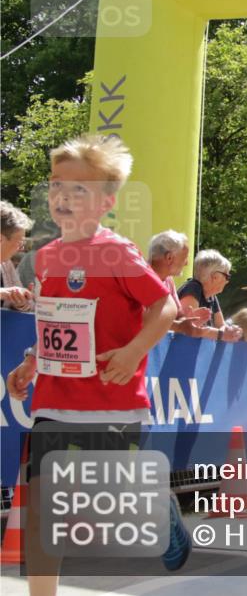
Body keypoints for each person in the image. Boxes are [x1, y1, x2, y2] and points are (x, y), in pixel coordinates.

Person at [4, 135, 190, 596]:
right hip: (54, 399)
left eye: (78, 189)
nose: (63, 196)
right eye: (55, 185)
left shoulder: (116, 252)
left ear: (107, 202)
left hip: (111, 397)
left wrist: (132, 353)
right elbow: (54, 321)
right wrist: (31, 361)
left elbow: (164, 308)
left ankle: (156, 507)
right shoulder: (43, 258)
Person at [147, 230, 213, 337]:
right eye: (185, 257)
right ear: (169, 258)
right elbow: (144, 320)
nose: (186, 263)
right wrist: (180, 326)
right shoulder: (140, 278)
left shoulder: (168, 279)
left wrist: (188, 320)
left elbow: (178, 315)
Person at [177, 249, 242, 342]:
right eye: (227, 276)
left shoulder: (211, 296)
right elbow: (189, 327)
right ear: (215, 276)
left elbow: (221, 326)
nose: (227, 281)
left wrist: (232, 330)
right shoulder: (193, 288)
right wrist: (222, 334)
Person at [1, 199, 34, 311]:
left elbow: (28, 305)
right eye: (20, 242)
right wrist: (3, 292)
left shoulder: (6, 265)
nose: (21, 248)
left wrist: (20, 302)